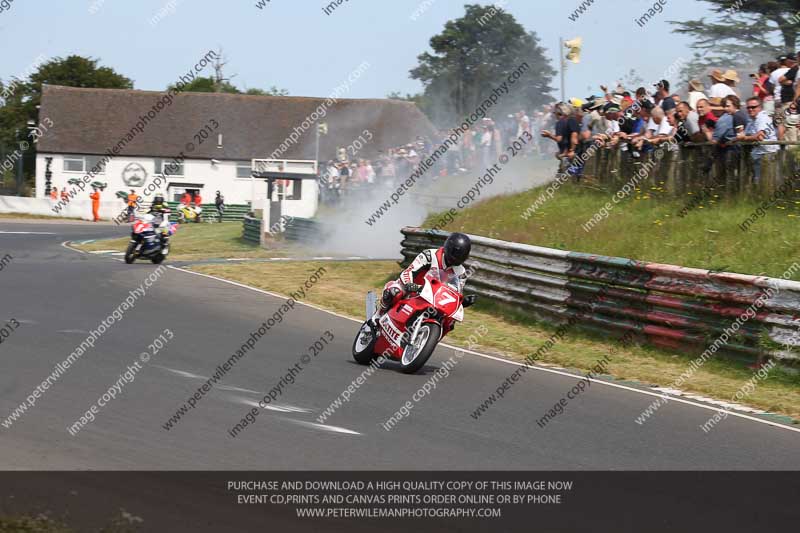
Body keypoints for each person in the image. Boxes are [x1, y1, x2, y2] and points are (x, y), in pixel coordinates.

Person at [371, 232, 477, 326]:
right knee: (394, 291)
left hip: (435, 301)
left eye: (460, 255)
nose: (456, 258)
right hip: (412, 290)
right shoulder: (430, 255)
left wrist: (462, 302)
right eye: (455, 254)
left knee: (449, 323)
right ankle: (377, 316)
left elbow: (456, 293)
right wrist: (410, 285)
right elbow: (409, 270)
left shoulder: (461, 272)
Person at [738, 97, 779, 183]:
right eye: (748, 107)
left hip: (767, 155)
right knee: (758, 182)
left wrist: (744, 138)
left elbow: (760, 136)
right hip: (758, 154)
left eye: (753, 107)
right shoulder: (751, 120)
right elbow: (746, 135)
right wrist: (737, 138)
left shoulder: (762, 118)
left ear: (760, 107)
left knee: (767, 182)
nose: (750, 109)